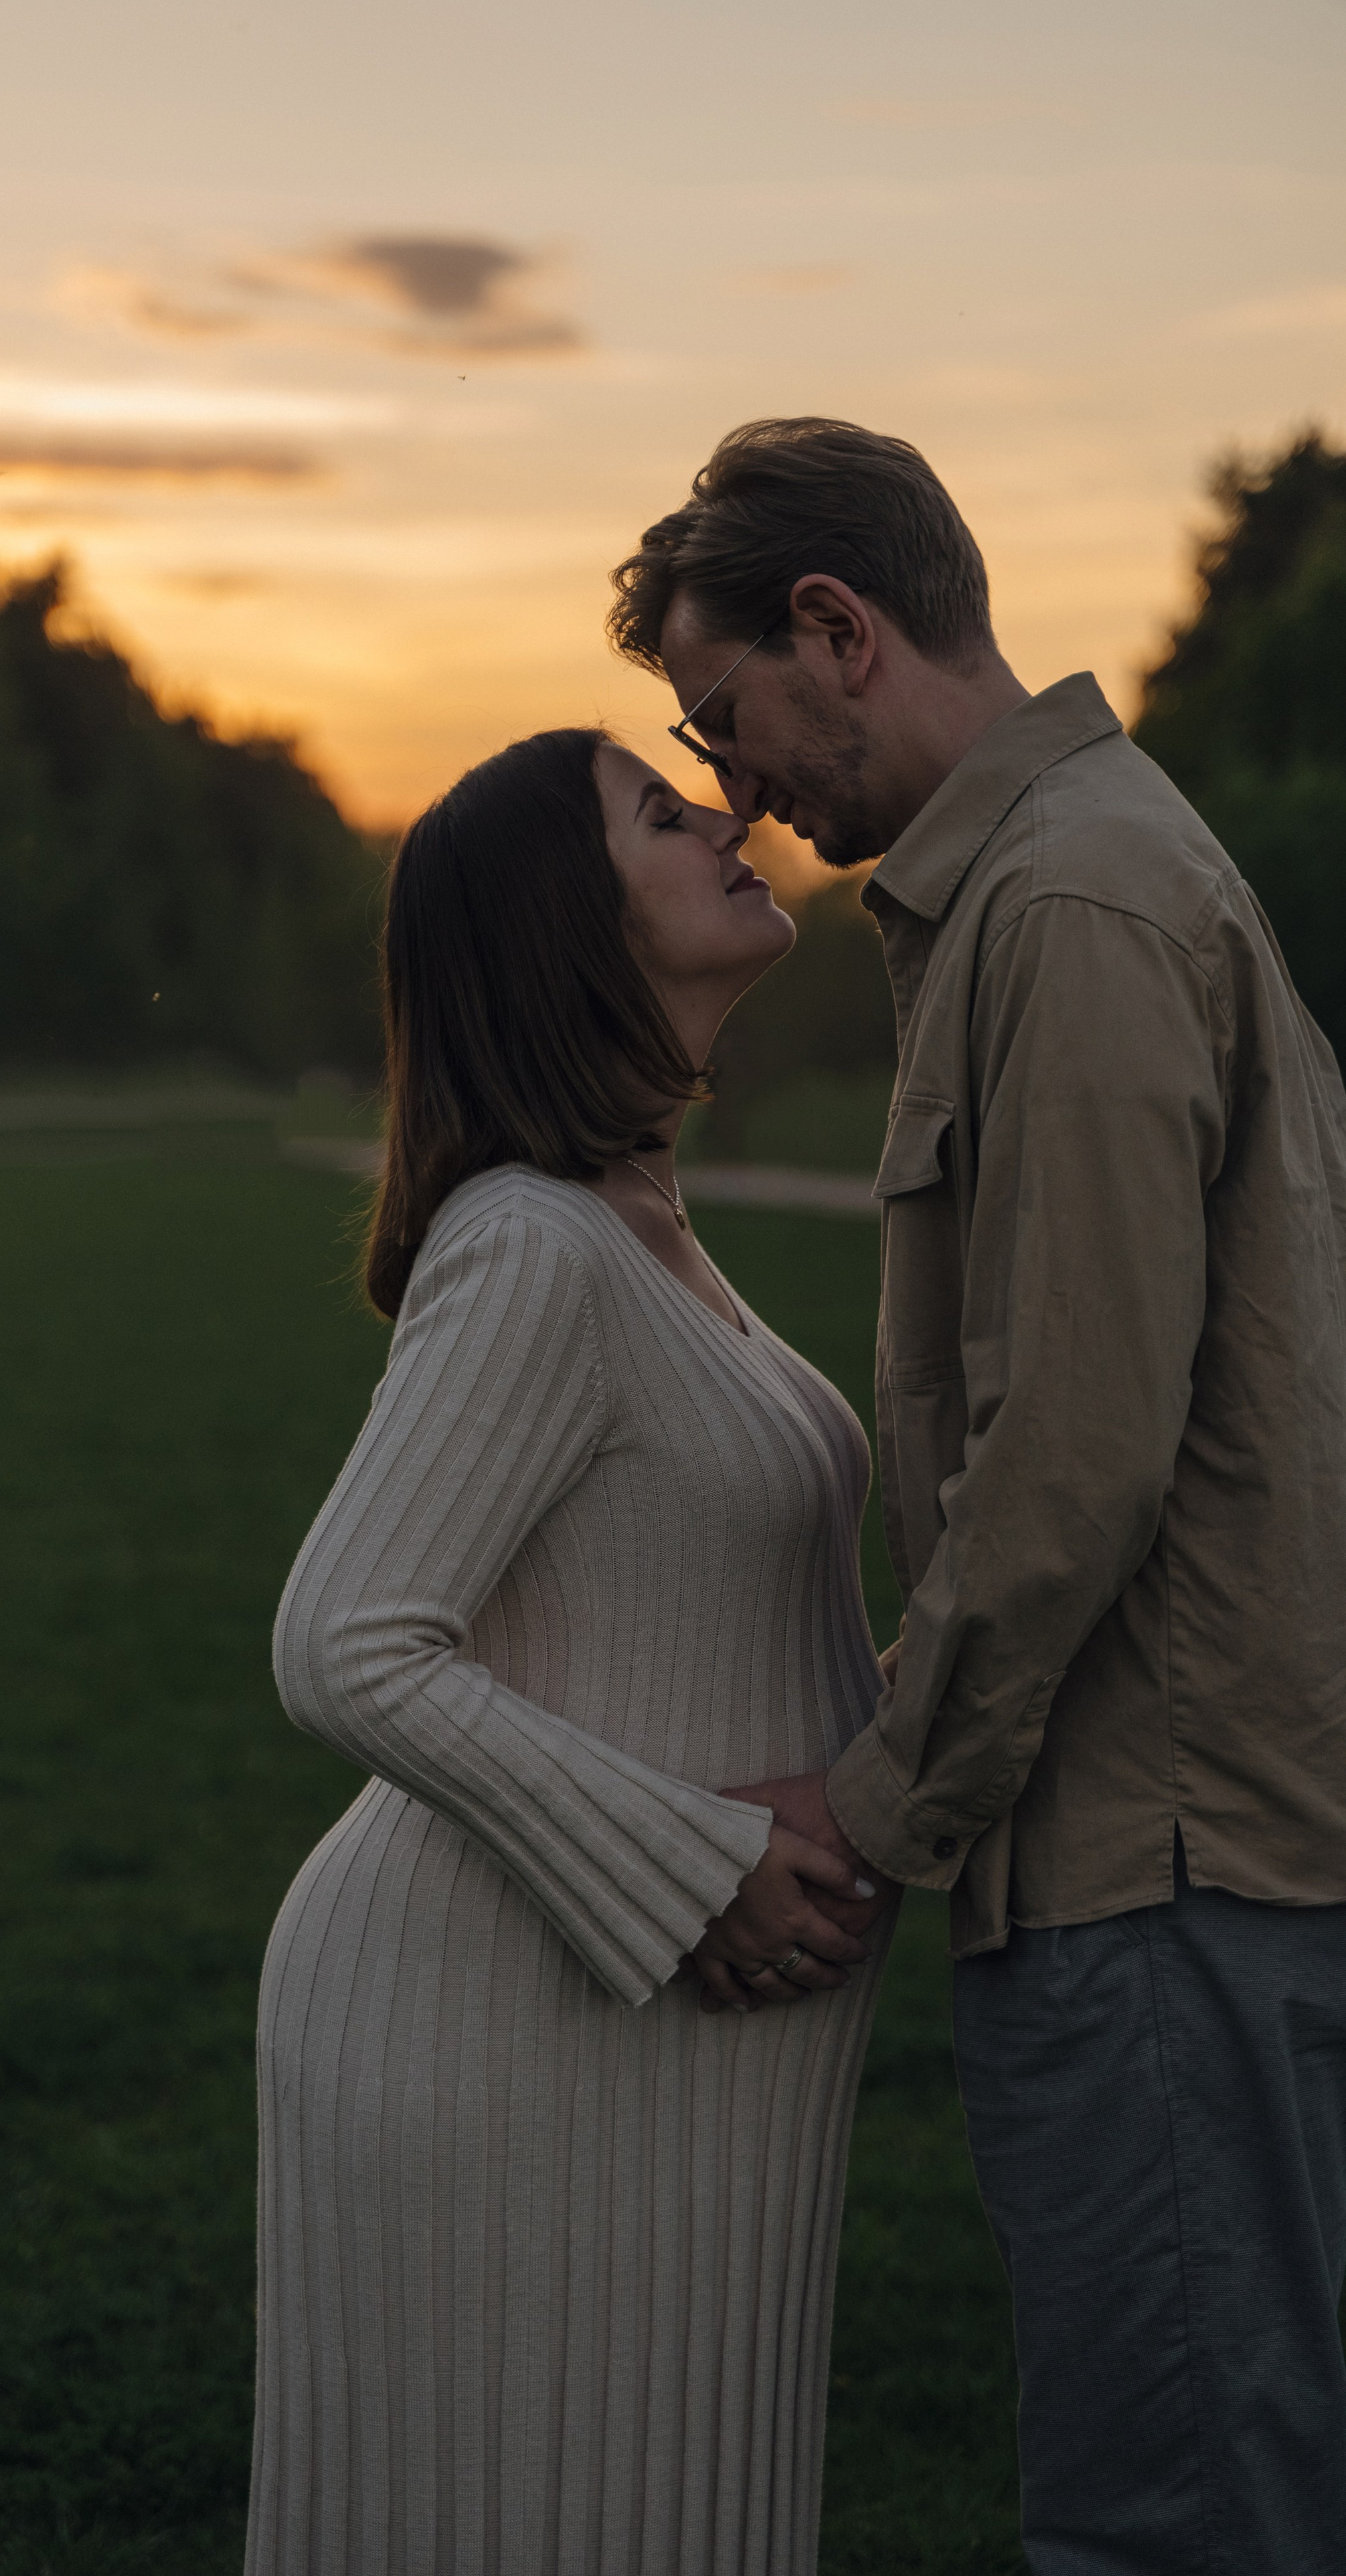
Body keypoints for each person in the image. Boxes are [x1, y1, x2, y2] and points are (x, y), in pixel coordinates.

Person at [607, 414, 1346, 2575]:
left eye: (724, 719)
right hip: (1171, 1851)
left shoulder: (1077, 903)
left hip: (1160, 1866)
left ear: (838, 630)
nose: (736, 790)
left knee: (1176, 2524)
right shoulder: (1057, 882)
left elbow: (1080, 1443)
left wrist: (873, 1798)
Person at [246, 724, 901, 2576]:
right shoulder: (534, 1242)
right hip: (509, 2032)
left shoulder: (645, 1223)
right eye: (658, 806)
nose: (730, 813)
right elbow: (346, 1642)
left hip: (653, 2047)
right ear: (566, 920)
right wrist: (694, 1869)